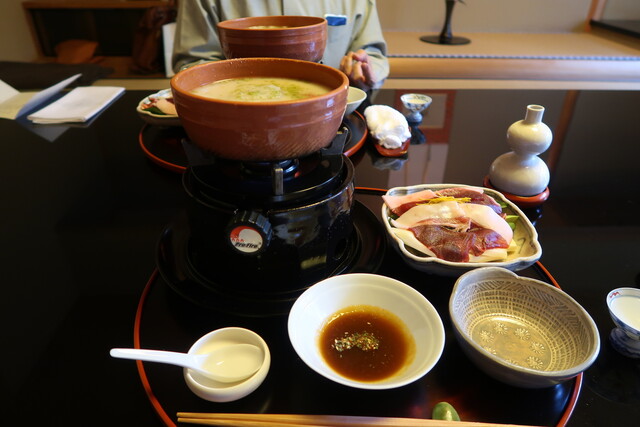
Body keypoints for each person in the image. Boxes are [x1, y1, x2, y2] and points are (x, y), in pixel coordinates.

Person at [172, 0, 389, 90]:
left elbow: (373, 54)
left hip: (332, 116)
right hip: (237, 116)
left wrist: (364, 68)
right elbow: (193, 63)